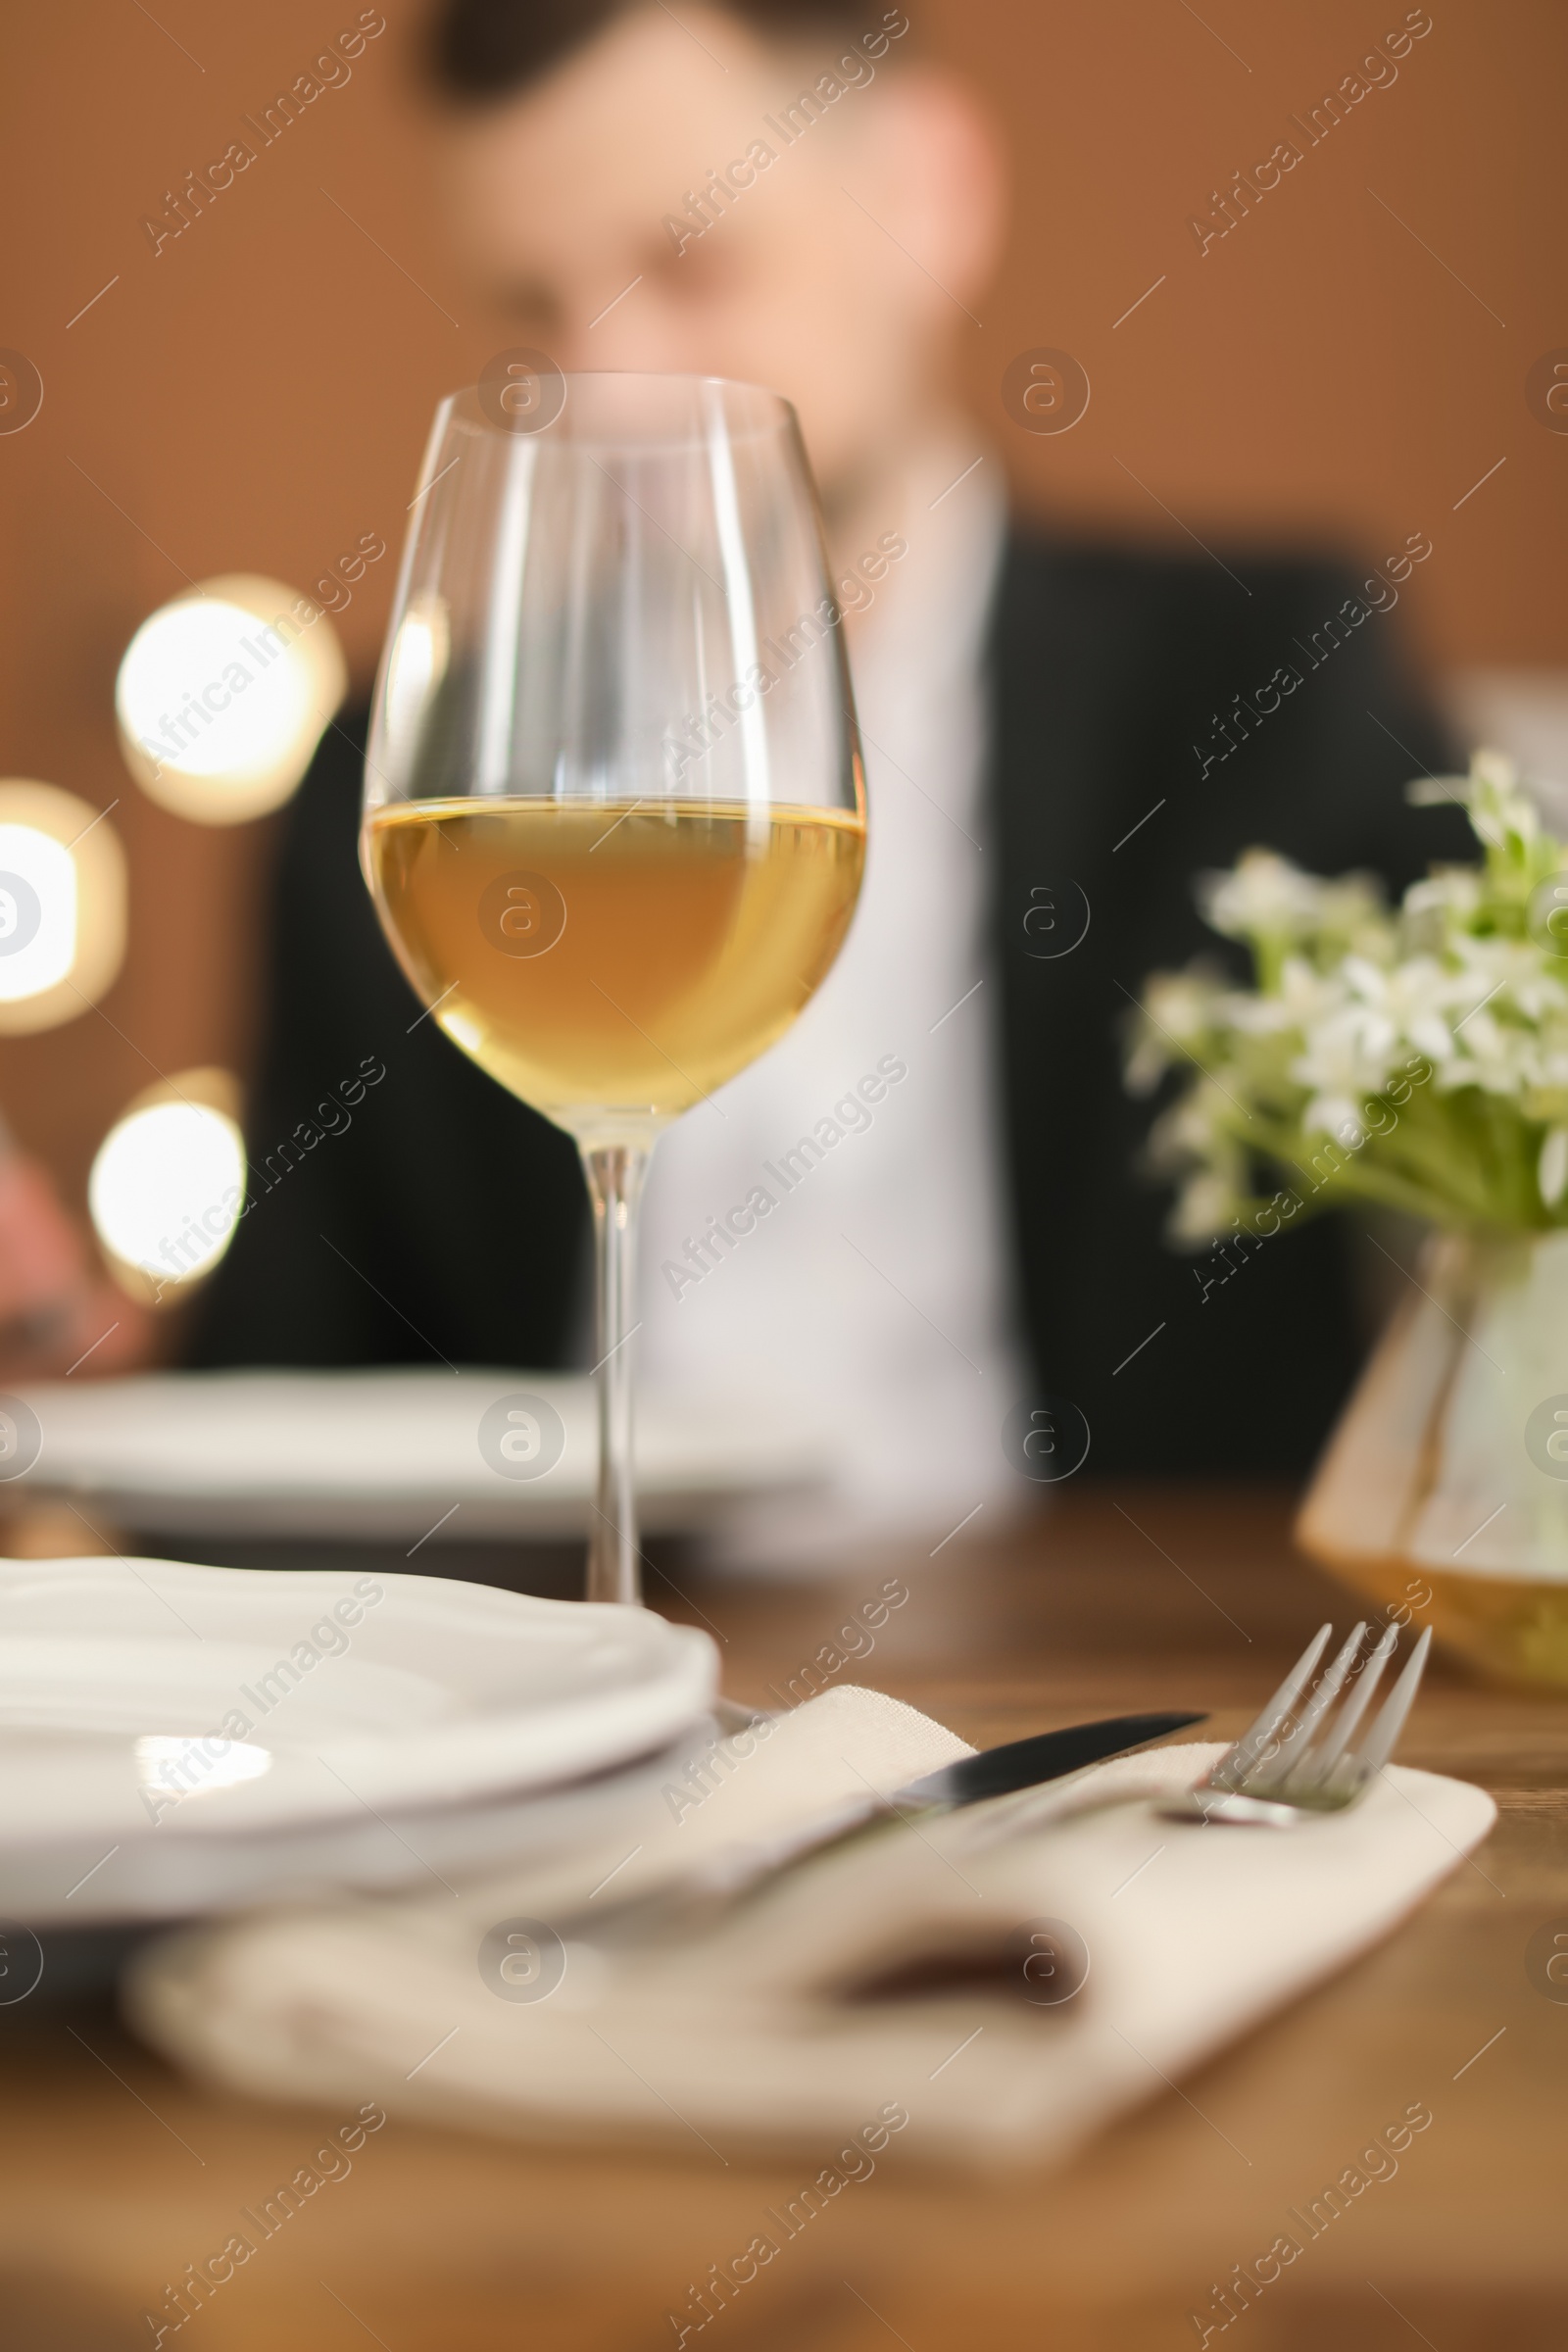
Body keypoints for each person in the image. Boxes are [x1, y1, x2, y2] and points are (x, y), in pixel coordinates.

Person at [81, 1, 1488, 1548]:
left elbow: (1487, 1187)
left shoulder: (1258, 689)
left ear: (929, 200)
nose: (604, 390)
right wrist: (64, 1359)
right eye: (535, 309)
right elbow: (277, 1405)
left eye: (693, 264)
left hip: (1112, 1701)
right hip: (572, 1691)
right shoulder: (405, 772)